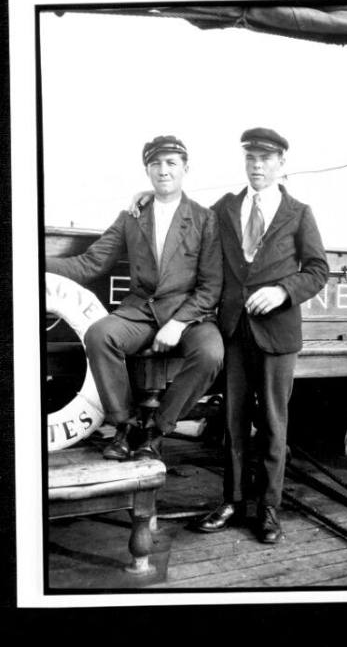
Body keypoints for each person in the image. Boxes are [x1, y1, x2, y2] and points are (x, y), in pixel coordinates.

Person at [46, 135, 224, 462]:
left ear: (186, 168)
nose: (163, 170)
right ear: (147, 170)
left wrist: (179, 323)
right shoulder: (132, 215)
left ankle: (156, 430)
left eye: (171, 163)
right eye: (155, 163)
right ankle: (125, 428)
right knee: (101, 335)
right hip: (140, 311)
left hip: (190, 315)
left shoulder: (205, 219)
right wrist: (29, 258)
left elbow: (211, 286)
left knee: (211, 354)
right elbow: (89, 264)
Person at [196, 127, 329, 544]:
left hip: (277, 333)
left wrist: (282, 291)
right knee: (234, 423)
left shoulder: (299, 212)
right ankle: (233, 500)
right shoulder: (223, 208)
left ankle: (269, 509)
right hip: (235, 331)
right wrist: (144, 198)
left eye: (266, 158)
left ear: (281, 164)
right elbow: (189, 221)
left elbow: (318, 270)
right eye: (251, 157)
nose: (257, 165)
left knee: (273, 423)